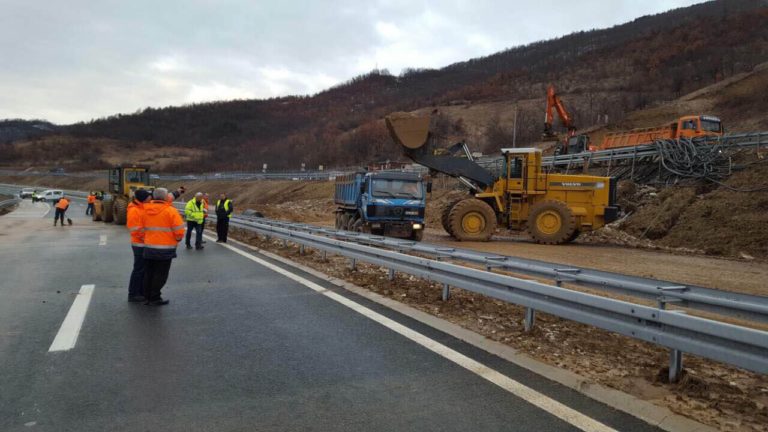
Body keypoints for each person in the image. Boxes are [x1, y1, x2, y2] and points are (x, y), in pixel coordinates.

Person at [141, 188, 185, 306]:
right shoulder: (171, 211)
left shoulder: (144, 209)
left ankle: (146, 297)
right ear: (165, 197)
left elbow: (140, 229)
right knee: (160, 275)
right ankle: (155, 297)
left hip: (149, 248)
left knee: (148, 273)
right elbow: (179, 230)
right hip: (165, 249)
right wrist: (178, 239)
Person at [126, 189, 151, 303]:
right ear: (143, 198)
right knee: (139, 269)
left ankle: (140, 292)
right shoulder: (134, 210)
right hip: (139, 244)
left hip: (143, 243)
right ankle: (133, 294)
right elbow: (136, 230)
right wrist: (148, 238)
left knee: (143, 269)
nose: (150, 199)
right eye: (148, 197)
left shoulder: (141, 207)